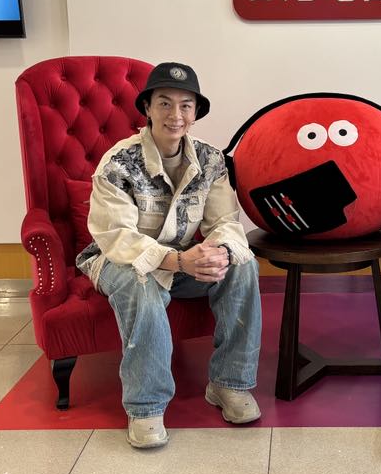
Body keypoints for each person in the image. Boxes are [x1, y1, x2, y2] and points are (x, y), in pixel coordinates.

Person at [76, 62, 263, 449]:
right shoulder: (119, 162)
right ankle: (145, 405)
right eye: (164, 103)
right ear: (147, 108)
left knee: (243, 265)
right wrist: (178, 261)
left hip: (182, 259)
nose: (175, 115)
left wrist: (219, 253)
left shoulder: (211, 160)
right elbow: (117, 236)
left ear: (195, 113)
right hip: (117, 260)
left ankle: (229, 383)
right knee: (141, 283)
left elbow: (224, 220)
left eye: (185, 105)